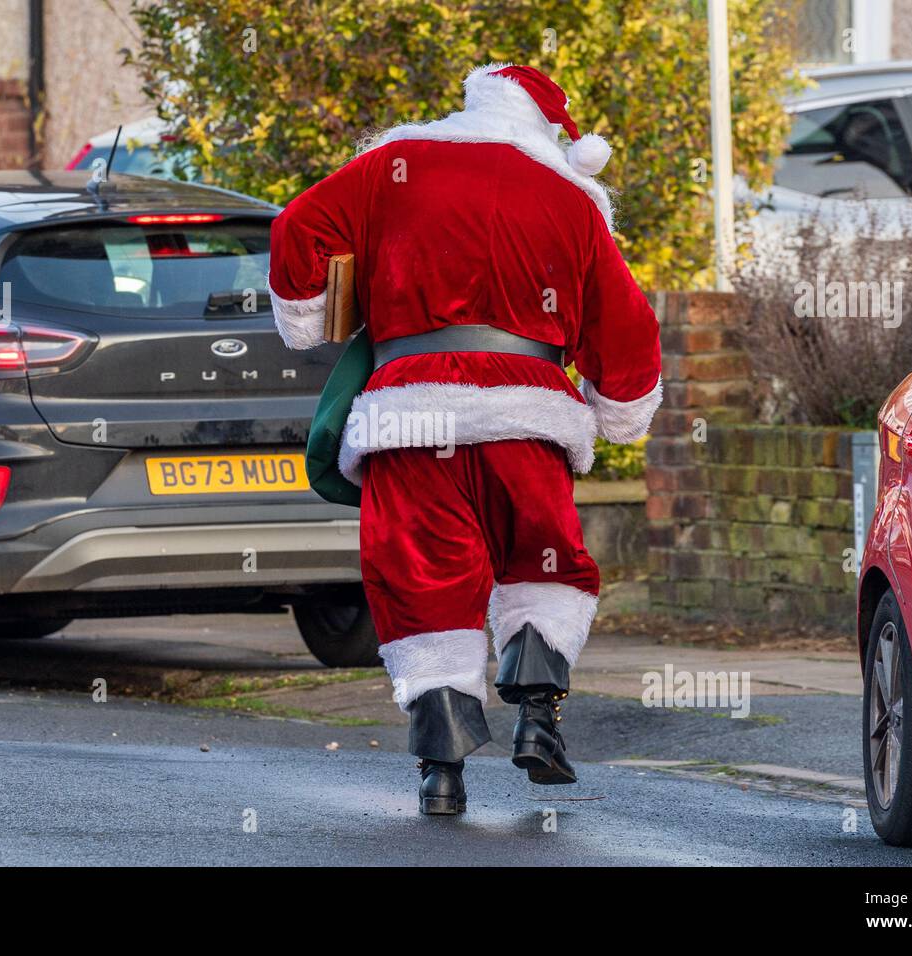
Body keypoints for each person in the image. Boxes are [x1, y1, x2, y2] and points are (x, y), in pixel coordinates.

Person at [268, 64, 662, 814]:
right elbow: (627, 323)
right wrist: (619, 409)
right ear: (550, 131)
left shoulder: (391, 166)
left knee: (422, 578)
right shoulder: (570, 198)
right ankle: (539, 720)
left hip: (411, 418)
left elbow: (297, 228)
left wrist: (310, 308)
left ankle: (442, 773)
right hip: (527, 419)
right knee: (542, 561)